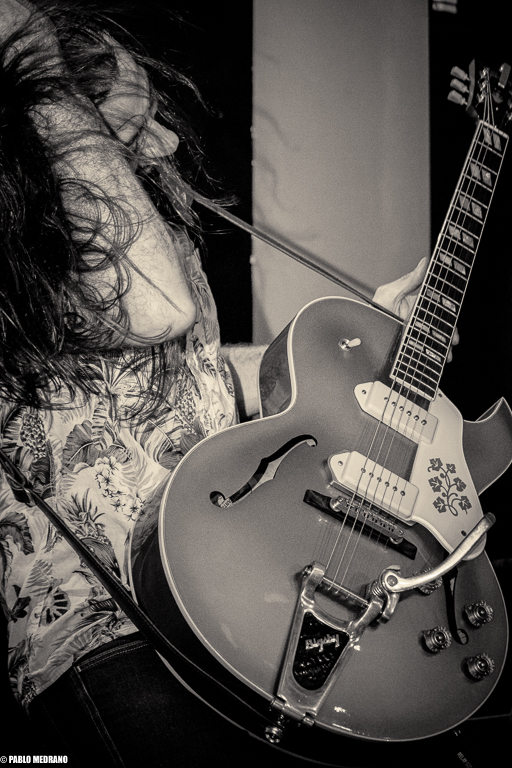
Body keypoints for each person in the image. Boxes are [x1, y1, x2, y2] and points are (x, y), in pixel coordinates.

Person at [0, 2, 445, 766]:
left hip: (220, 591)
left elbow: (198, 372)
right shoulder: (32, 236)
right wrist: (31, 44)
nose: (168, 142)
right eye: (131, 125)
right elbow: (157, 308)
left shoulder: (142, 233)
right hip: (108, 626)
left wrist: (359, 344)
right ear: (58, 125)